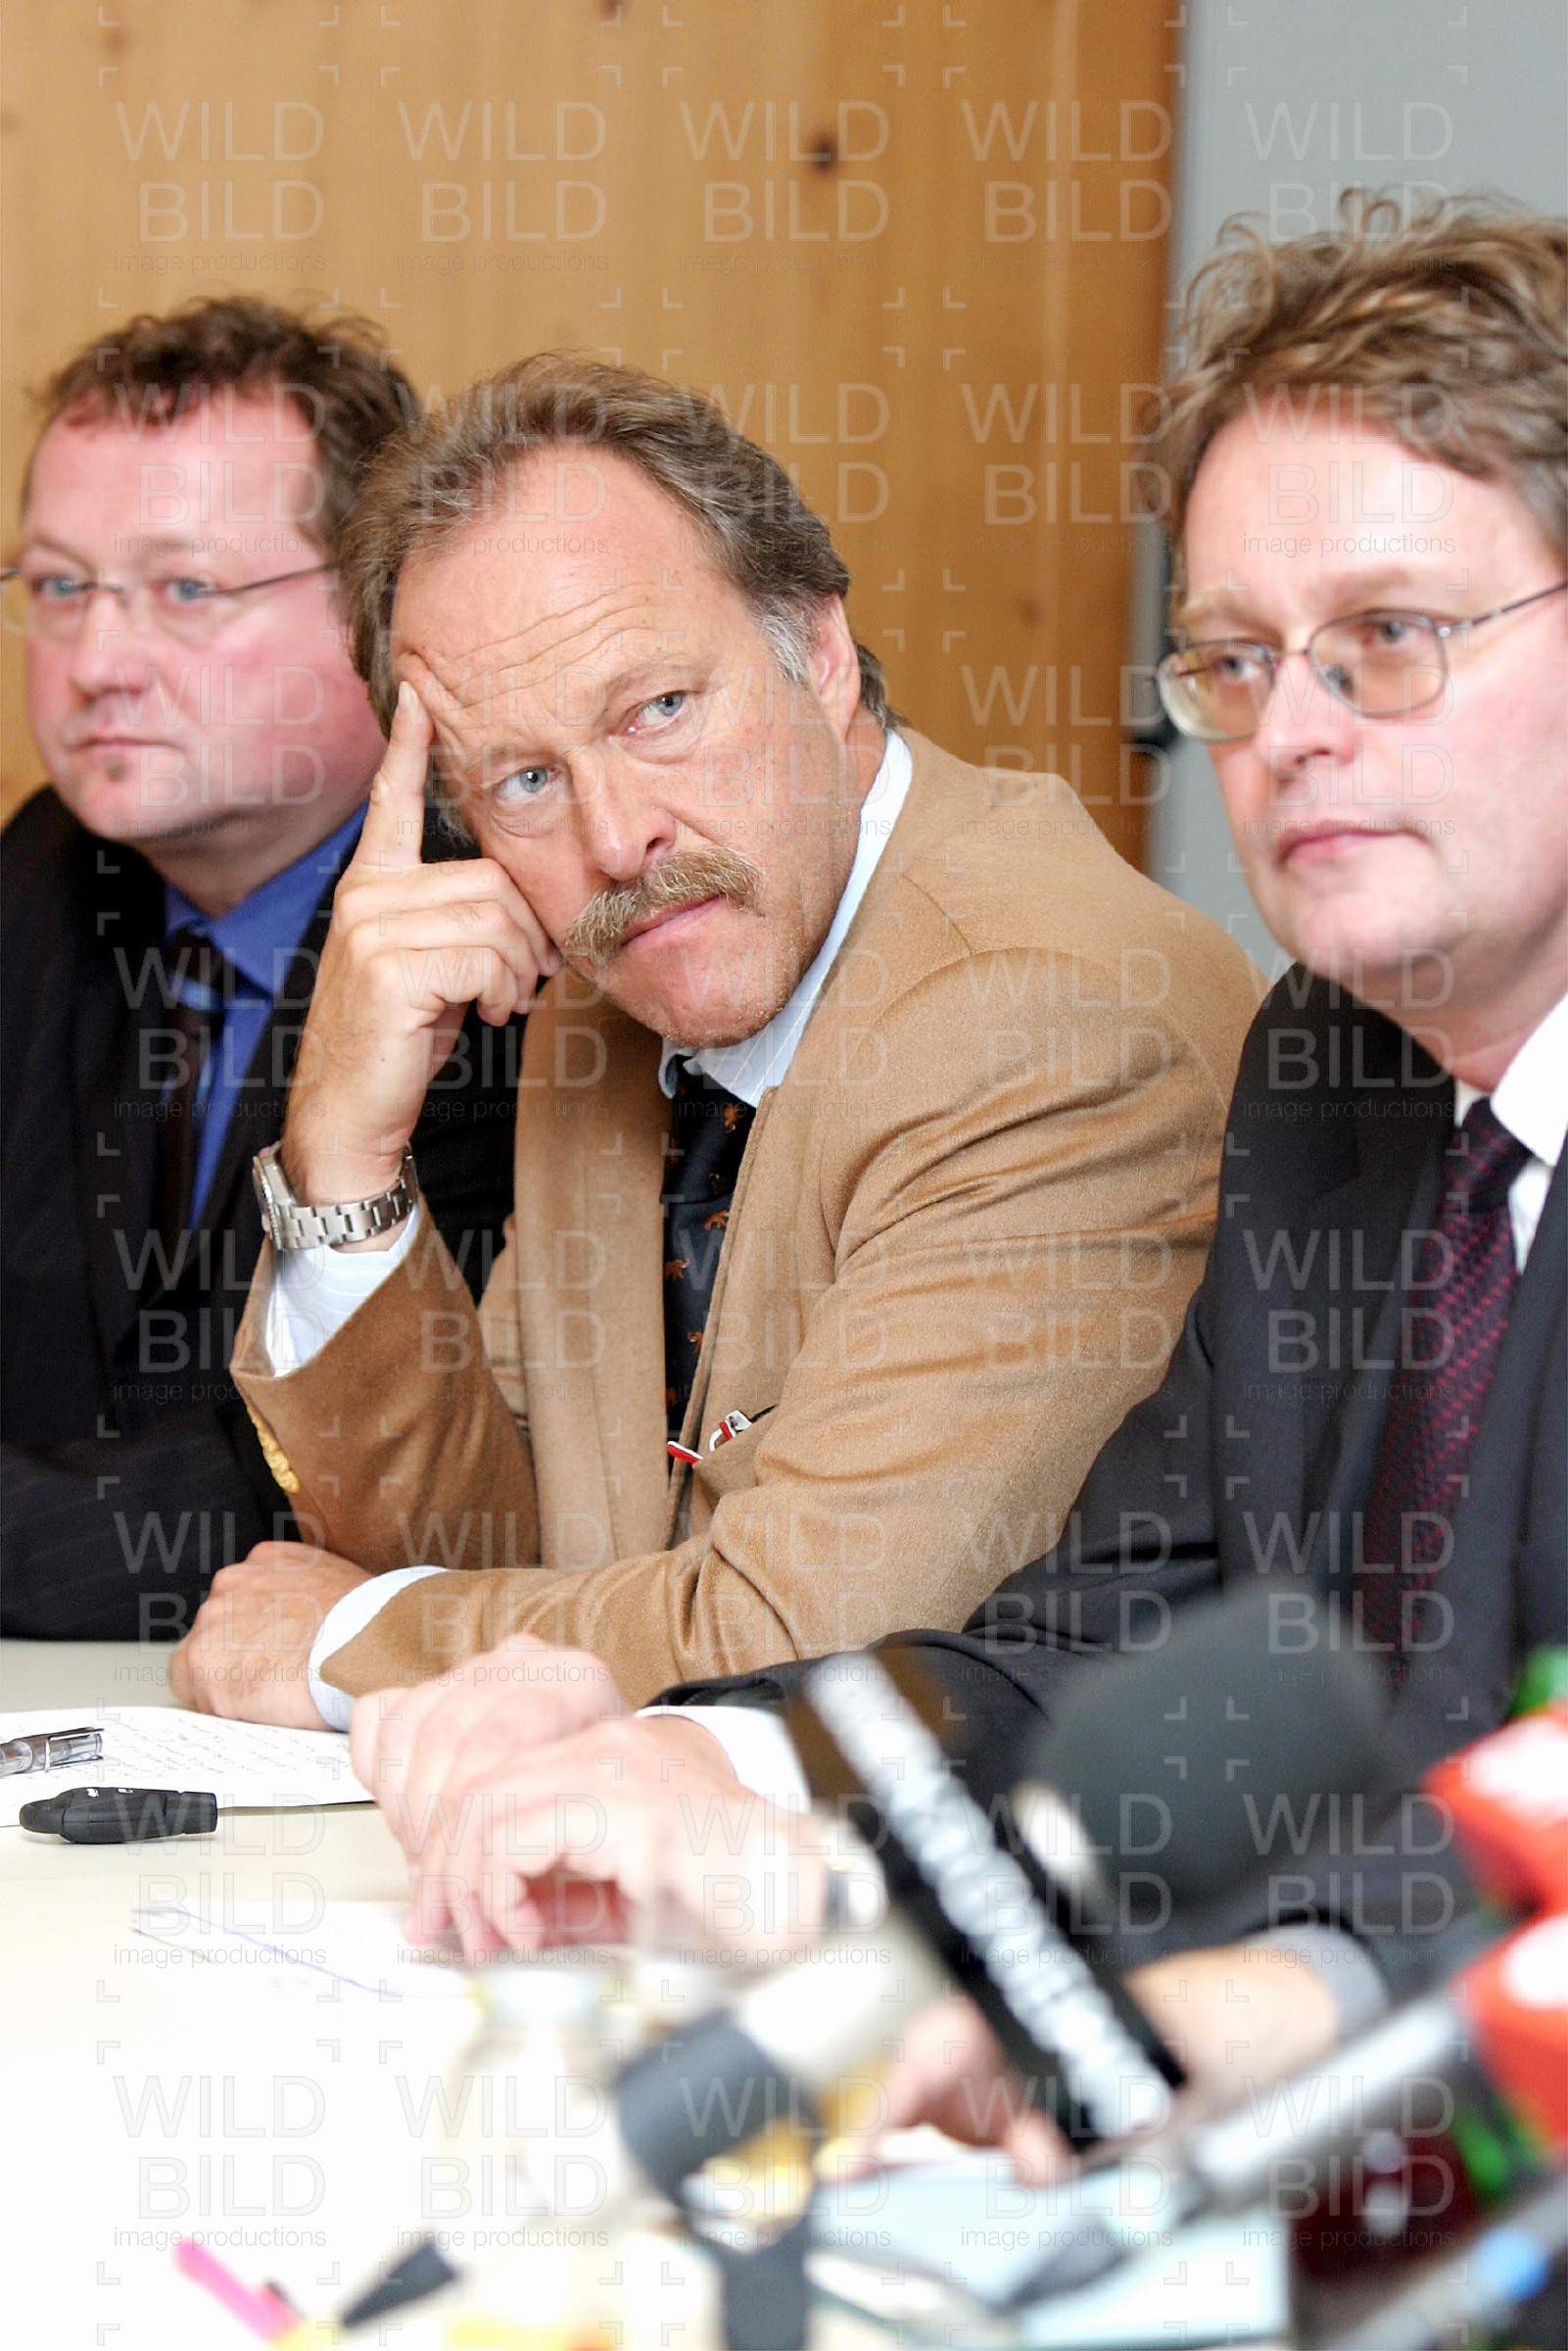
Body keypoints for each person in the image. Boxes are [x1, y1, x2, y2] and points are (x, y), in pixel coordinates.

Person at [347, 195, 1568, 2134]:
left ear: (823, 656)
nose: (1292, 733)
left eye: (1389, 642)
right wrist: (725, 1770)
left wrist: (1237, 2009)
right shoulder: (1331, 1076)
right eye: (1233, 659)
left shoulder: (1091, 1017)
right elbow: (1096, 1633)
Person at [167, 352, 1259, 1725]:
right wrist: (342, 1147)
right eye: (525, 778)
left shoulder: (1046, 1019)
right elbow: (493, 1557)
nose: (617, 837)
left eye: (659, 711)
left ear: (820, 653)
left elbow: (810, 1642)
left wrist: (347, 1644)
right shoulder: (619, 988)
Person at [1, 299, 523, 1641]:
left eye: (185, 590)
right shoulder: (45, 869)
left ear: (376, 604)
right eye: (57, 586)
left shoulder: (503, 923)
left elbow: (326, 1482)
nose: (97, 664)